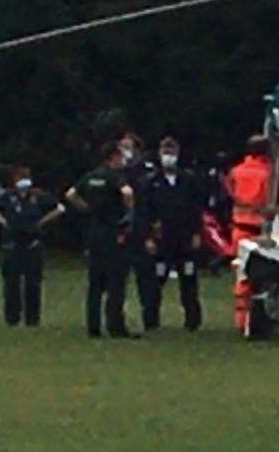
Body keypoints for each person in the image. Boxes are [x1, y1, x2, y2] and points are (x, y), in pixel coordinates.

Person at [66, 141, 136, 338]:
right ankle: (116, 327)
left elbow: (71, 194)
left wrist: (85, 208)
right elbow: (127, 192)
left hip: (92, 233)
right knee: (116, 282)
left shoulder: (91, 177)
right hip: (113, 234)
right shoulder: (114, 176)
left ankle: (93, 327)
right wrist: (129, 212)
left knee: (95, 283)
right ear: (113, 157)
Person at [0, 166, 65, 326]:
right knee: (11, 284)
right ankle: (12, 318)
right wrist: (3, 221)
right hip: (12, 245)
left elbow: (60, 208)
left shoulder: (38, 196)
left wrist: (42, 222)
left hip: (32, 245)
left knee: (33, 284)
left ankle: (32, 319)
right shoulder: (8, 197)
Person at [146, 137, 205, 331]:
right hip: (161, 239)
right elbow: (144, 212)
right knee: (156, 281)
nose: (168, 157)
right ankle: (151, 321)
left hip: (185, 238)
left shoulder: (188, 180)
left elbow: (196, 209)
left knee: (188, 280)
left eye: (172, 152)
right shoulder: (151, 182)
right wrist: (148, 237)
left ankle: (192, 321)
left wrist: (197, 233)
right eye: (165, 152)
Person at [225, 135, 272, 332]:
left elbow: (230, 193)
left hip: (239, 229)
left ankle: (241, 320)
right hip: (261, 230)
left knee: (242, 275)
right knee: (263, 277)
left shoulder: (236, 172)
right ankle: (260, 317)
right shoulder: (270, 172)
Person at [118, 133, 162, 332]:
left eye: (128, 146)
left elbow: (151, 206)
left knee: (147, 279)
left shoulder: (148, 172)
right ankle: (117, 318)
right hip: (121, 231)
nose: (124, 150)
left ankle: (150, 319)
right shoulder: (116, 171)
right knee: (118, 277)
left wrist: (151, 234)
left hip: (142, 230)